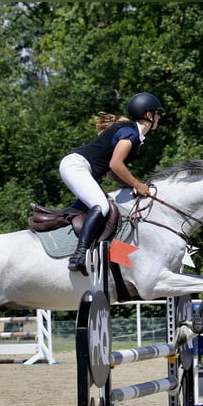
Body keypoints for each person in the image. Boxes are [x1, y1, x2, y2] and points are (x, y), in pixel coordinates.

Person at [59, 92, 164, 275]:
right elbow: (116, 164)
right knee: (101, 205)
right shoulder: (131, 132)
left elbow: (110, 171)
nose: (159, 117)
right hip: (76, 166)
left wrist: (129, 184)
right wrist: (137, 184)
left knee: (103, 204)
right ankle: (79, 255)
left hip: (78, 167)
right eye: (158, 113)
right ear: (148, 115)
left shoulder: (131, 132)